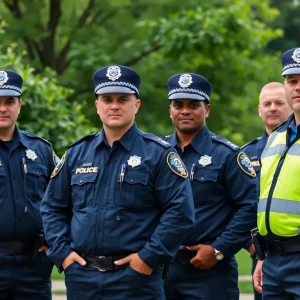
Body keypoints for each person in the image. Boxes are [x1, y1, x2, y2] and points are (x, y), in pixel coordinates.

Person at [41, 65, 195, 300]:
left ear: (137, 105)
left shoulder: (159, 155)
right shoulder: (76, 154)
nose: (114, 105)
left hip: (136, 280)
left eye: (123, 99)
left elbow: (180, 213)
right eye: (107, 99)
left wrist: (148, 258)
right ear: (97, 105)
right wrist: (63, 254)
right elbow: (52, 207)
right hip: (82, 278)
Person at [162, 73, 258, 300]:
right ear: (170, 110)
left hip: (210, 274)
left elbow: (249, 207)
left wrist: (219, 250)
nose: (185, 110)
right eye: (178, 105)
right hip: (162, 270)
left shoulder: (227, 155)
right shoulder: (157, 153)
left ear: (207, 110)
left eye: (193, 105)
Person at [0, 70, 57, 299]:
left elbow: (64, 199)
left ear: (19, 106)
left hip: (33, 266)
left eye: (9, 102)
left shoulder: (42, 150)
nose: (3, 108)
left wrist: (53, 238)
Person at [253, 47, 300, 299]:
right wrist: (263, 257)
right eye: (292, 81)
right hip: (273, 262)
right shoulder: (275, 138)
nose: (297, 87)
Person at [242, 82, 292, 300]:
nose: (273, 108)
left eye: (279, 103)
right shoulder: (244, 155)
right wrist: (252, 246)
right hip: (262, 255)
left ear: (290, 105)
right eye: (267, 103)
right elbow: (235, 205)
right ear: (259, 109)